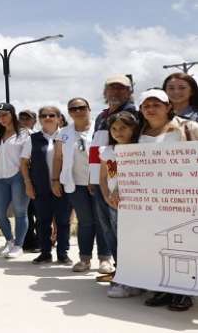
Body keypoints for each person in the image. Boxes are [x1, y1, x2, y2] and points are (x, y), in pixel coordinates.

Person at [137, 88, 198, 312]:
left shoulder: (188, 128)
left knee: (185, 248)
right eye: (146, 106)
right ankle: (162, 287)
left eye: (157, 105)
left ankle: (184, 292)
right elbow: (120, 161)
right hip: (148, 200)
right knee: (155, 244)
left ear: (168, 107)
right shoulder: (137, 132)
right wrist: (115, 188)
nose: (151, 109)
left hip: (182, 197)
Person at [52, 98, 112, 273]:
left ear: (89, 108)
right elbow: (57, 158)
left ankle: (105, 259)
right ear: (69, 112)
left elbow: (108, 156)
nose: (78, 111)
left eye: (81, 107)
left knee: (102, 222)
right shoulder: (63, 133)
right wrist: (55, 180)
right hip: (74, 184)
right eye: (73, 108)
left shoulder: (100, 129)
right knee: (85, 222)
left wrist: (107, 181)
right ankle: (84, 259)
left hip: (99, 182)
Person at [89, 75, 134, 276]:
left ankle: (127, 271)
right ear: (105, 92)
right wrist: (95, 178)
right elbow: (100, 151)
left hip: (121, 184)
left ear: (129, 91)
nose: (115, 92)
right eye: (111, 88)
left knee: (121, 230)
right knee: (107, 228)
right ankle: (119, 269)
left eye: (120, 88)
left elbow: (122, 152)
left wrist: (116, 186)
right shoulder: (101, 116)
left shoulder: (133, 114)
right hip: (102, 178)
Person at [99, 111, 141, 298]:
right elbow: (106, 178)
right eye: (114, 128)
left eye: (123, 128)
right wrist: (108, 195)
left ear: (133, 128)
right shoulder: (109, 151)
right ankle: (124, 276)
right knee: (120, 240)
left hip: (139, 205)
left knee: (137, 242)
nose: (118, 132)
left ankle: (138, 279)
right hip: (116, 204)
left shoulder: (142, 149)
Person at [28, 106, 72, 265]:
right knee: (42, 221)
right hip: (41, 187)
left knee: (63, 221)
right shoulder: (32, 138)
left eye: (51, 115)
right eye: (43, 115)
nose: (47, 118)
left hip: (63, 186)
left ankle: (63, 253)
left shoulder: (67, 136)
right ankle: (45, 253)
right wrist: (28, 184)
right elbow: (24, 163)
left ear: (59, 118)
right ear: (39, 119)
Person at [0, 103, 32, 259]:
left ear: (12, 114)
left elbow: (26, 159)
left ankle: (19, 246)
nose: (1, 118)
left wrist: (27, 181)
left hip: (18, 177)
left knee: (20, 212)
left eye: (4, 115)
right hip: (0, 178)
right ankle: (10, 241)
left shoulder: (25, 134)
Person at [19, 109, 40, 252]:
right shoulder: (14, 136)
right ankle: (27, 240)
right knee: (25, 211)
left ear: (34, 121)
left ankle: (40, 240)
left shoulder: (37, 136)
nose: (25, 121)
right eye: (22, 118)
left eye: (28, 118)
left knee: (38, 211)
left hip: (35, 176)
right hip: (20, 177)